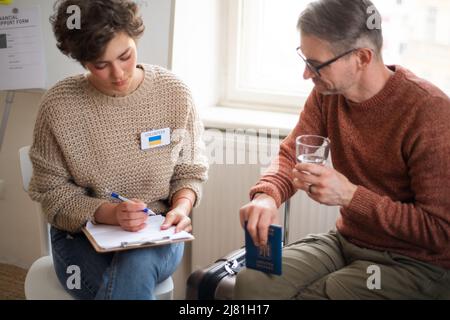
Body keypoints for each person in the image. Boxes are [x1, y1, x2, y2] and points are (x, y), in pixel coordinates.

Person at [235, 0, 450, 300]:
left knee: (322, 293)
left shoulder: (428, 111)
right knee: (252, 282)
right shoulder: (327, 94)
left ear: (362, 57)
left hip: (417, 262)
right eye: (304, 60)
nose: (307, 75)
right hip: (346, 242)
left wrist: (351, 195)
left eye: (316, 64)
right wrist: (266, 196)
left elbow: (440, 230)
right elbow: (291, 155)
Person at [28, 0, 208, 300]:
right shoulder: (59, 106)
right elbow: (51, 194)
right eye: (101, 65)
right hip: (79, 236)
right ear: (82, 60)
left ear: (135, 37)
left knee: (135, 267)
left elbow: (189, 171)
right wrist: (109, 213)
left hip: (157, 235)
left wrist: (181, 207)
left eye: (125, 56)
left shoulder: (174, 93)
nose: (118, 73)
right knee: (124, 286)